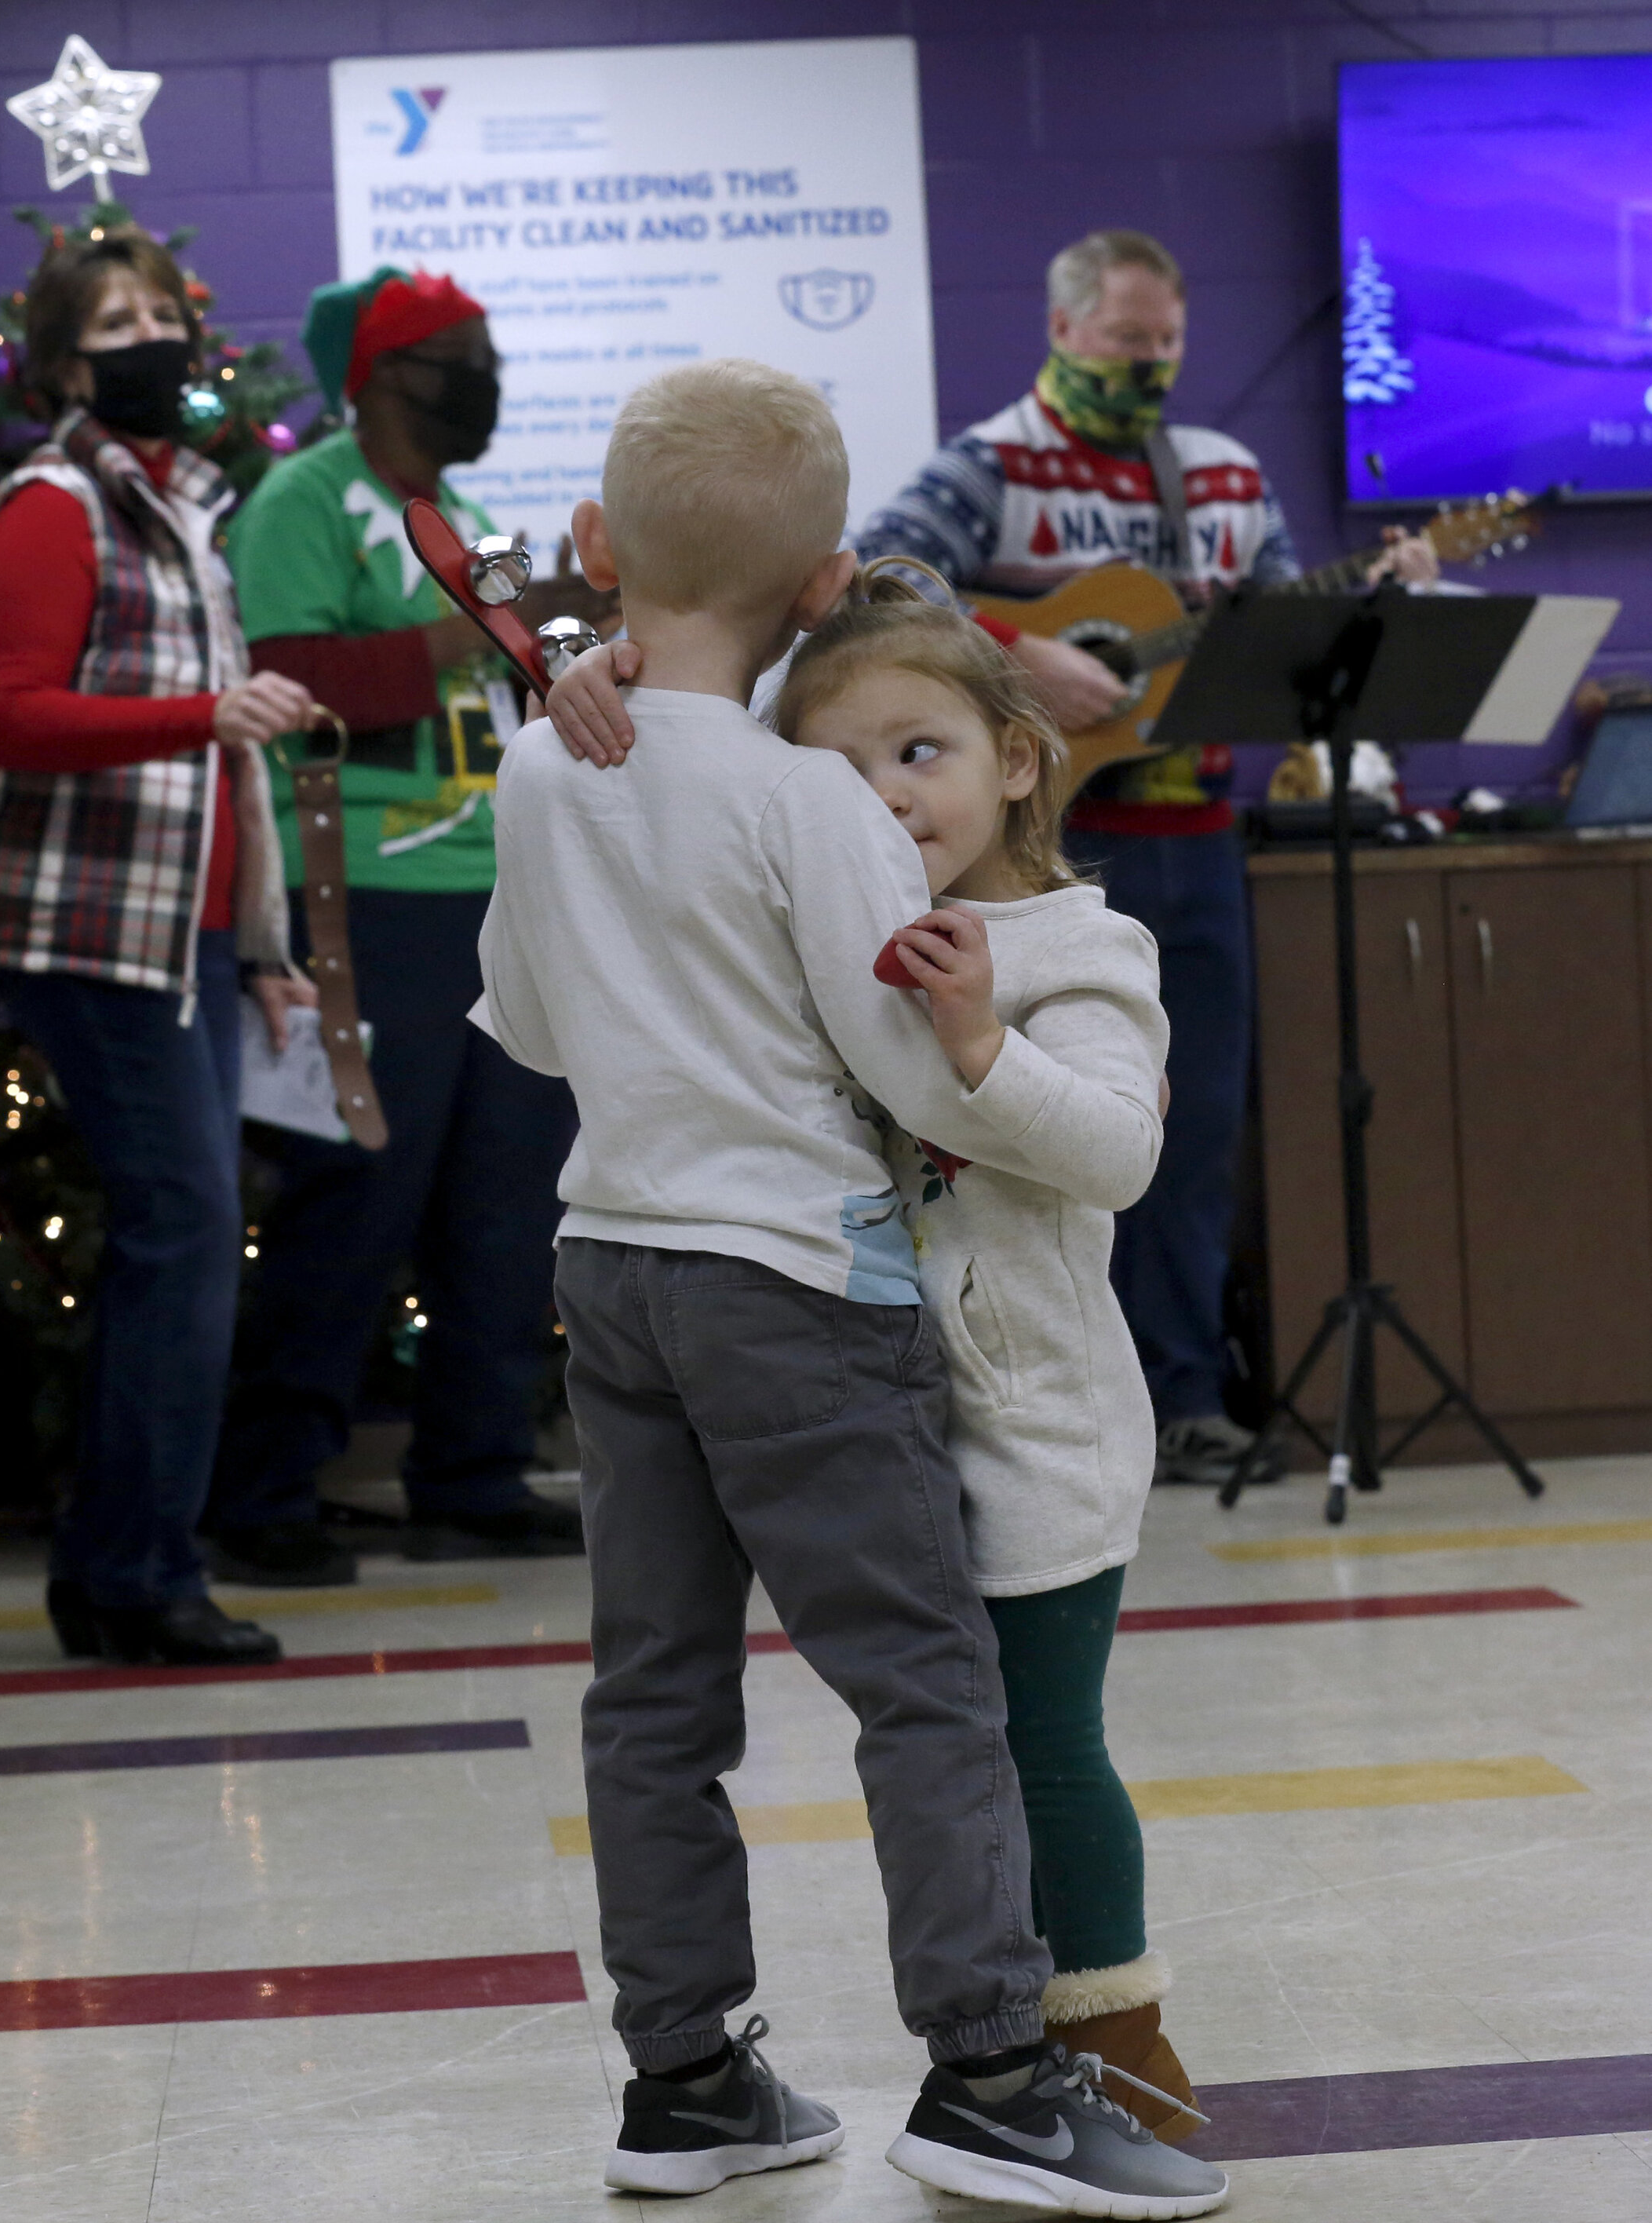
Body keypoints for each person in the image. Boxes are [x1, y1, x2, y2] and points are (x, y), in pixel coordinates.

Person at [478, 359, 1224, 2216]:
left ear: (591, 547)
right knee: (925, 1689)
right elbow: (905, 1075)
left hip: (612, 1258)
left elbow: (533, 1025)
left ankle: (683, 2083)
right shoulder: (806, 798)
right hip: (794, 1279)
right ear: (825, 588)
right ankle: (985, 2073)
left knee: (649, 1693)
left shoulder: (537, 758)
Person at [855, 228, 1435, 1487]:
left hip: (1200, 840)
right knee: (1039, 1130)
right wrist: (1017, 649)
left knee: (1185, 1123)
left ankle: (1177, 1396)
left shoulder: (1223, 475)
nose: (1152, 365)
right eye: (1128, 343)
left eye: (1168, 344)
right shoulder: (991, 464)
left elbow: (1289, 633)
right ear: (1065, 332)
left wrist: (1380, 599)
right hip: (1046, 852)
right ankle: (1023, 1404)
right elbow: (880, 582)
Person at [0, 225, 326, 1666]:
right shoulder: (54, 507)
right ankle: (137, 1575)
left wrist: (261, 944)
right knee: (184, 1235)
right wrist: (198, 717)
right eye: (116, 322)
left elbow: (224, 776)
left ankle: (120, 1570)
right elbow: (16, 715)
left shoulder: (184, 506)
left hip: (185, 937)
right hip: (86, 931)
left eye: (165, 312)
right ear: (61, 366)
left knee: (185, 1237)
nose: (153, 338)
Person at [205, 268, 617, 1582]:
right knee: (358, 1199)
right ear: (384, 377)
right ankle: (266, 1493)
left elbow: (525, 656)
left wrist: (583, 624)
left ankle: (473, 1472)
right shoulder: (304, 498)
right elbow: (286, 674)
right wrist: (458, 640)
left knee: (503, 1197)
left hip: (490, 895)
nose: (484, 381)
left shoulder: (469, 516)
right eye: (462, 358)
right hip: (356, 890)